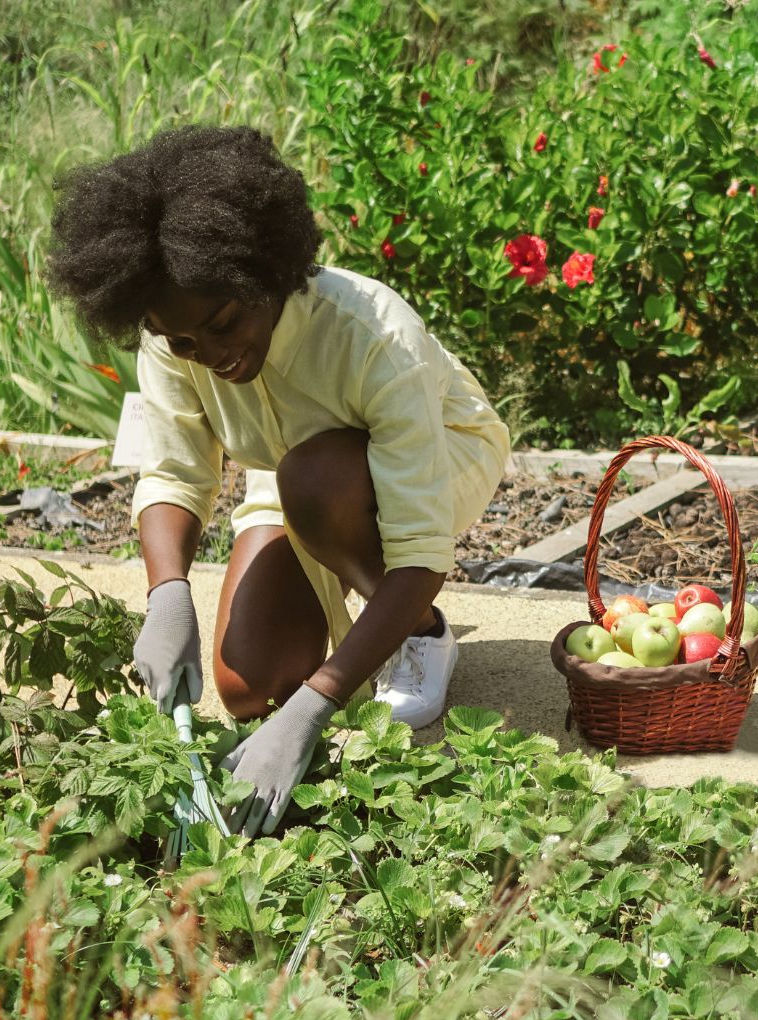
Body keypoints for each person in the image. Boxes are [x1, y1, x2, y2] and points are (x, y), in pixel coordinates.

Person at [47, 126, 510, 837]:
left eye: (225, 324)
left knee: (317, 481)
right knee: (246, 687)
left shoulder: (374, 335)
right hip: (292, 474)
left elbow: (419, 550)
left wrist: (317, 705)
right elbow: (173, 471)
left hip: (437, 455)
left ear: (264, 273)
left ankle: (421, 634)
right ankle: (349, 609)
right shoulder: (176, 334)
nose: (213, 355)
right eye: (187, 343)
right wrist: (168, 596)